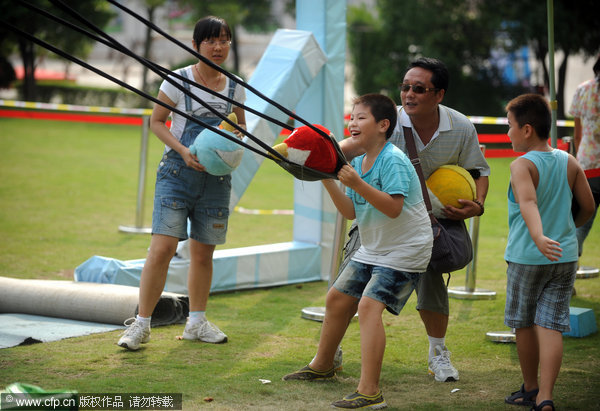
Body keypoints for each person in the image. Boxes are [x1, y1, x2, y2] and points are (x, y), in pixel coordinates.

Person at [339, 57, 490, 382]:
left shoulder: (461, 126)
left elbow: (479, 172)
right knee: (347, 287)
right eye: (405, 87)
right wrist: (310, 154)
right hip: (373, 219)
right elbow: (346, 148)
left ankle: (438, 353)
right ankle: (330, 353)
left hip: (425, 226)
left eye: (419, 89)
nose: (409, 94)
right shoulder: (387, 122)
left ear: (439, 94)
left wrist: (476, 205)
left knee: (432, 282)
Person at [283, 94, 433, 409]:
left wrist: (357, 183)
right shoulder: (358, 162)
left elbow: (393, 208)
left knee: (367, 308)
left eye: (361, 117)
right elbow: (351, 211)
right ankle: (323, 366)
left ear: (383, 125)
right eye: (351, 118)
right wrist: (327, 178)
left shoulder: (391, 159)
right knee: (337, 299)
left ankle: (370, 392)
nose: (352, 123)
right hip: (375, 246)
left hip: (407, 248)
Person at [118, 16, 246, 350]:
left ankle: (197, 323)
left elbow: (240, 129)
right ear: (195, 45)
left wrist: (232, 145)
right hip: (176, 173)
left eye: (224, 40)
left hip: (216, 180)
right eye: (210, 41)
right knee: (162, 249)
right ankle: (141, 324)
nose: (218, 47)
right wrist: (184, 150)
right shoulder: (178, 80)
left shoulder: (235, 86)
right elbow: (157, 122)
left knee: (203, 254)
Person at [503, 94, 594, 411]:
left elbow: (528, 202)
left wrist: (540, 237)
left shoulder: (521, 165)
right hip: (566, 256)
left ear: (527, 129)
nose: (508, 134)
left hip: (528, 256)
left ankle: (530, 388)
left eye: (510, 126)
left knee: (525, 324)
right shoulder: (569, 160)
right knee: (551, 325)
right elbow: (588, 207)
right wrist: (566, 232)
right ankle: (546, 397)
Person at [568, 56, 600, 259]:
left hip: (588, 164)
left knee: (582, 220)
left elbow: (577, 135)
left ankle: (571, 262)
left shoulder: (582, 90)